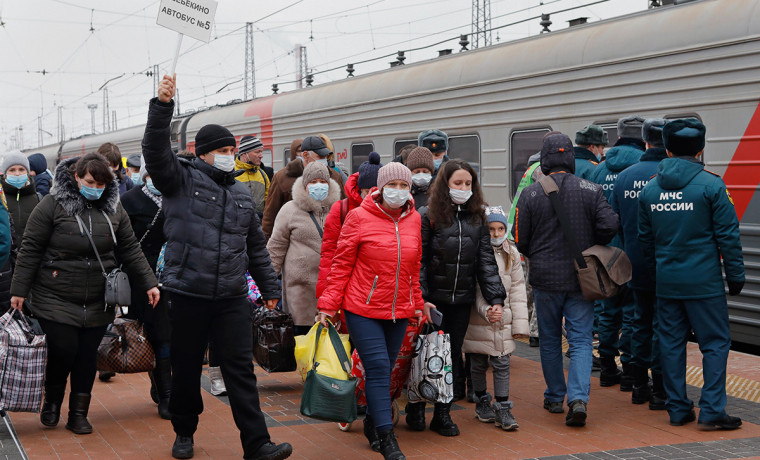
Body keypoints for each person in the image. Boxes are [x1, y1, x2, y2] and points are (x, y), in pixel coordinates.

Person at [143, 74, 292, 460]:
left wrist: (270, 290)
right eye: (222, 149)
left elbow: (255, 246)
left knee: (240, 370)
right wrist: (162, 107)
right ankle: (184, 431)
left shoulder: (241, 194)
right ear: (204, 153)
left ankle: (257, 443)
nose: (229, 154)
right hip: (187, 293)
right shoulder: (179, 179)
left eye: (232, 148)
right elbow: (155, 150)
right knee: (187, 369)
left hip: (230, 297)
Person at [9, 153, 159, 435]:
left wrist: (149, 281)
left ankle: (79, 413)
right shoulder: (51, 205)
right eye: (90, 182)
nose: (96, 188)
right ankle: (51, 401)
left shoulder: (114, 208)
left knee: (87, 355)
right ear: (76, 177)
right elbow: (30, 248)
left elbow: (130, 247)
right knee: (64, 350)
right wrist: (19, 290)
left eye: (102, 184)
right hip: (55, 294)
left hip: (98, 297)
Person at [638, 119, 744, 430]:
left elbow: (646, 241)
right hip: (705, 284)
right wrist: (736, 276)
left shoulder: (650, 190)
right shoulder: (712, 185)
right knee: (714, 343)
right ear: (700, 150)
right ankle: (712, 411)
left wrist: (658, 273)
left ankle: (678, 408)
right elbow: (728, 237)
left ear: (667, 149)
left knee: (670, 343)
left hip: (667, 282)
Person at [318, 162, 423, 460]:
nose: (399, 192)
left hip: (399, 309)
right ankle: (389, 440)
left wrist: (416, 303)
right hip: (362, 308)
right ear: (380, 187)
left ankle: (372, 424)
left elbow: (414, 268)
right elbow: (341, 266)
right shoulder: (358, 217)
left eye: (404, 186)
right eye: (393, 186)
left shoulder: (414, 220)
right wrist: (328, 304)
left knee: (385, 373)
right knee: (377, 369)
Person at [514, 133, 618, 427]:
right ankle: (578, 399)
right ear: (570, 158)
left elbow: (519, 239)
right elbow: (610, 224)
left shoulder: (531, 193)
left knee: (549, 339)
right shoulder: (591, 189)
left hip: (545, 279)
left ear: (545, 160)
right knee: (582, 340)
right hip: (581, 277)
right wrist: (593, 240)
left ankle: (554, 396)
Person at [412, 159, 506, 436]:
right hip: (432, 301)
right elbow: (419, 261)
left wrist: (495, 297)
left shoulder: (479, 217)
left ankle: (443, 413)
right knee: (420, 353)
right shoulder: (427, 215)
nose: (464, 188)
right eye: (458, 183)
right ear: (445, 184)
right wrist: (422, 297)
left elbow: (485, 261)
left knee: (451, 357)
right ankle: (416, 406)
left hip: (461, 301)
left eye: (468, 184)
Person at [610, 118, 668, 410]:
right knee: (662, 327)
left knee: (639, 322)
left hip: (634, 261)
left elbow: (615, 221)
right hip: (664, 265)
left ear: (645, 142)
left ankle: (637, 386)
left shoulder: (625, 176)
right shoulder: (666, 174)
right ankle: (660, 391)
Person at [590, 115, 645, 391]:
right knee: (634, 314)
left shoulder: (599, 170)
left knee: (609, 312)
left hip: (606, 254)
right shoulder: (643, 169)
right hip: (635, 253)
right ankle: (631, 370)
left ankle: (608, 368)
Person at [463, 206, 528, 431]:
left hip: (504, 320)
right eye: (491, 229)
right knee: (478, 363)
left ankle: (503, 406)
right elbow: (474, 290)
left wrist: (520, 325)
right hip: (479, 319)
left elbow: (519, 291)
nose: (496, 234)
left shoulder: (512, 253)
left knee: (502, 363)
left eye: (500, 228)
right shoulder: (477, 253)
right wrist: (485, 310)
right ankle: (482, 400)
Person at [120, 157, 171, 420]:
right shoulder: (129, 200)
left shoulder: (178, 196)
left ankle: (163, 385)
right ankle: (165, 393)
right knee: (156, 332)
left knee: (168, 333)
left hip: (175, 275)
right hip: (142, 277)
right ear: (146, 176)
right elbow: (121, 241)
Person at [267, 162, 340, 335]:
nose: (318, 186)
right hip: (299, 291)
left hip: (331, 292)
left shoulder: (338, 209)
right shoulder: (289, 210)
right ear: (305, 185)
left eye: (323, 182)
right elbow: (275, 249)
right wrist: (268, 286)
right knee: (301, 342)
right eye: (313, 182)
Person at [316, 151, 382, 304]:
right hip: (347, 288)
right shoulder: (342, 209)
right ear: (359, 189)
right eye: (367, 192)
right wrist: (325, 296)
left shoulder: (391, 212)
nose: (372, 196)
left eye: (377, 192)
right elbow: (329, 254)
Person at [262, 136, 344, 239]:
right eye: (320, 156)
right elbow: (270, 216)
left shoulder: (335, 176)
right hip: (295, 243)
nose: (324, 160)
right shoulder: (282, 178)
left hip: (329, 241)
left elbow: (344, 210)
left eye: (325, 157)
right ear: (305, 155)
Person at [1, 151, 40, 236]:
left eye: (21, 169)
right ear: (5, 174)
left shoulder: (39, 199)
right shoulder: (1, 199)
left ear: (28, 172)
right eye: (12, 170)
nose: (17, 174)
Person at [235, 135, 270, 217]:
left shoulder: (262, 174)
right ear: (244, 154)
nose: (261, 155)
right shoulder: (232, 173)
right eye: (257, 152)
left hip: (258, 226)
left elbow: (269, 201)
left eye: (261, 151)